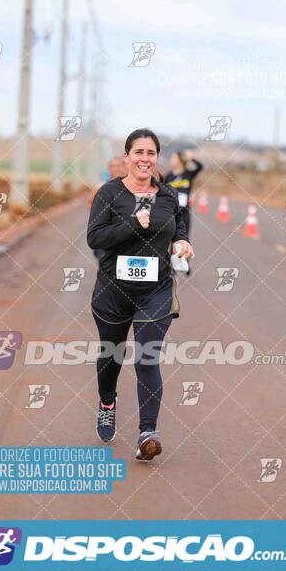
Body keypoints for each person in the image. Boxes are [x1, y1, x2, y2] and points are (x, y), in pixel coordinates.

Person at [87, 129, 194, 461]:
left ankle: (148, 432)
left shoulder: (166, 196)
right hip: (113, 291)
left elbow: (177, 228)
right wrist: (134, 223)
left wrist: (181, 243)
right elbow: (95, 238)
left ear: (156, 158)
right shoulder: (109, 193)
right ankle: (107, 402)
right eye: (139, 152)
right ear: (127, 156)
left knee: (147, 357)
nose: (145, 159)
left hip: (156, 290)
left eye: (151, 153)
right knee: (111, 357)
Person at [164, 149, 203, 245]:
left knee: (183, 240)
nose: (171, 160)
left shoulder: (188, 174)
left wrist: (191, 158)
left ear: (180, 160)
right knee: (167, 239)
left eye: (174, 158)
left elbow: (200, 167)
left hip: (185, 212)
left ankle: (182, 259)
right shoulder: (168, 176)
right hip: (171, 212)